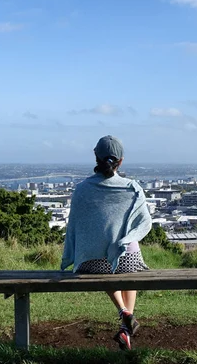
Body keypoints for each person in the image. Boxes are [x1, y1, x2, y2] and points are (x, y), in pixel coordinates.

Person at [61, 135, 152, 350]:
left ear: (96, 157)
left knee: (104, 263)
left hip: (92, 261)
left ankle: (124, 313)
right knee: (125, 266)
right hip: (129, 257)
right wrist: (125, 239)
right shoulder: (132, 188)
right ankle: (125, 327)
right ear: (121, 161)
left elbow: (75, 226)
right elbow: (145, 223)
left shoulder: (83, 189)